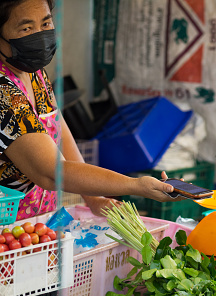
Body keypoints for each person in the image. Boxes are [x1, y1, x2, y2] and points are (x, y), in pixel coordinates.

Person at [0, 0, 180, 219]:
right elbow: (50, 173)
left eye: (46, 24)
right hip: (7, 230)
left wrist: (93, 198)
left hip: (37, 225)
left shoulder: (32, 72)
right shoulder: (3, 91)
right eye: (26, 28)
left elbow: (58, 128)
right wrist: (135, 185)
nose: (40, 35)